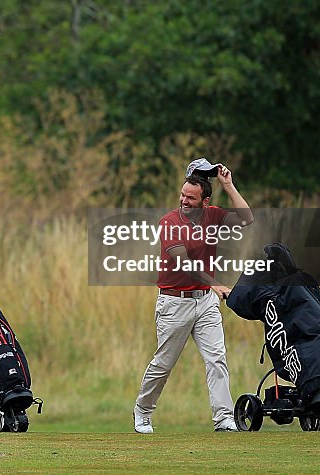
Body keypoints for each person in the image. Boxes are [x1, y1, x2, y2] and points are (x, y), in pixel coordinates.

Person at [133, 159, 255, 434]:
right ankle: (143, 411)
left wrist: (229, 185)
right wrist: (216, 284)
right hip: (174, 303)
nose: (184, 201)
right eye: (182, 195)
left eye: (191, 197)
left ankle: (224, 418)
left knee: (217, 359)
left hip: (205, 303)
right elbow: (183, 263)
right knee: (164, 363)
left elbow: (247, 219)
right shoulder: (169, 222)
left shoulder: (212, 215)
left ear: (205, 200)